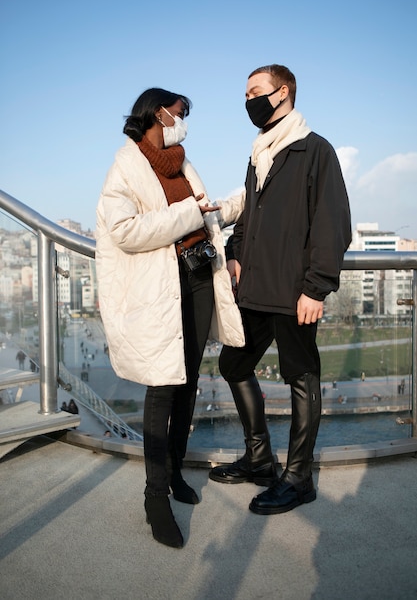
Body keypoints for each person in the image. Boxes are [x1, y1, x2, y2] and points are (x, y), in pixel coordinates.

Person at [96, 87, 245, 548]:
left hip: (198, 278)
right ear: (156, 113)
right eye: (180, 113)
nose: (184, 121)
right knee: (162, 390)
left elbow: (202, 217)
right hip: (159, 291)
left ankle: (176, 473)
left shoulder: (181, 161)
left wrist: (230, 206)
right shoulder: (125, 165)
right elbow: (124, 232)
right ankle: (154, 496)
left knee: (187, 384)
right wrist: (188, 213)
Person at [209, 64, 351, 515]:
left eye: (255, 91)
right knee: (233, 363)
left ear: (283, 91)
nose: (247, 100)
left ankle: (299, 477)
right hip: (254, 288)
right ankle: (259, 460)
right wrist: (234, 248)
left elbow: (333, 225)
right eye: (245, 93)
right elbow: (251, 214)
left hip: (294, 294)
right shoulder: (259, 153)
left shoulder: (314, 151)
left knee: (302, 379)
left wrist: (316, 288)